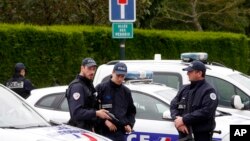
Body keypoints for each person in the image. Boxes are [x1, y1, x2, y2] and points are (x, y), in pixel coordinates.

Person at [170, 60, 218, 141]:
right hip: (184, 135)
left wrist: (183, 120)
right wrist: (177, 121)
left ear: (199, 73)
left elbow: (206, 112)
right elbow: (173, 105)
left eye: (190, 71)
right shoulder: (184, 89)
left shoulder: (208, 91)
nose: (187, 73)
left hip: (201, 136)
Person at [66, 57, 111, 131]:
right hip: (79, 131)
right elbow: (76, 113)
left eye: (94, 69)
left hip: (87, 129)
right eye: (89, 68)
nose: (92, 72)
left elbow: (90, 107)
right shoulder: (77, 86)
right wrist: (96, 113)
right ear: (82, 68)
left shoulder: (88, 84)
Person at [95, 62, 136, 141]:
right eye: (118, 76)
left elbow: (131, 112)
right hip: (102, 132)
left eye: (122, 76)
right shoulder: (101, 88)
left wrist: (129, 124)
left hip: (119, 134)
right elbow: (92, 109)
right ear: (113, 72)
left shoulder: (126, 92)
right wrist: (104, 121)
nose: (120, 79)